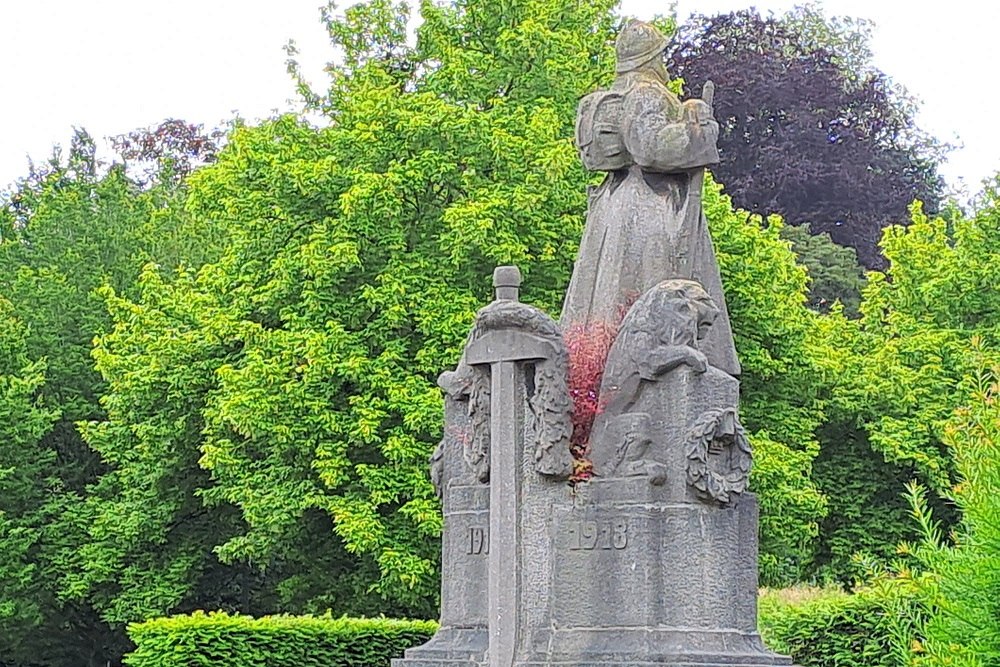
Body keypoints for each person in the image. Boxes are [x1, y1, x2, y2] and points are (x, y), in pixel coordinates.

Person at [564, 19, 740, 376]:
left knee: (607, 295)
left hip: (613, 207)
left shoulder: (611, 96)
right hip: (650, 207)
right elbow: (652, 147)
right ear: (652, 56)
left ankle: (601, 373)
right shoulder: (648, 92)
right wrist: (700, 130)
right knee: (652, 287)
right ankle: (660, 368)